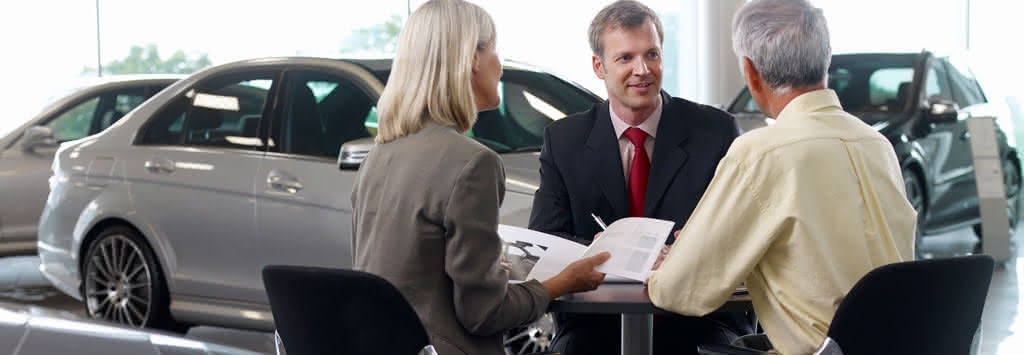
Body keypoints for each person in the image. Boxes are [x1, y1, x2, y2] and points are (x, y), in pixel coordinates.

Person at [646, 0, 917, 353]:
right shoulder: (876, 144)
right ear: (827, 58)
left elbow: (678, 291)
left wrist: (679, 257)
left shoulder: (761, 153)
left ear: (750, 71)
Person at [349, 1, 610, 355]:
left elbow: (410, 275)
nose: (499, 67)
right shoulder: (473, 163)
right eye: (495, 50)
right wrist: (561, 284)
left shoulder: (378, 156)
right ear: (473, 59)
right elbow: (484, 313)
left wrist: (489, 274)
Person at [528, 1, 745, 353]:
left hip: (698, 317)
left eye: (652, 54)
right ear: (599, 66)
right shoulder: (564, 139)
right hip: (595, 322)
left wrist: (684, 253)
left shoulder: (715, 132)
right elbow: (546, 239)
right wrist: (607, 253)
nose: (642, 70)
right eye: (626, 58)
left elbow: (739, 232)